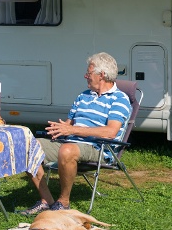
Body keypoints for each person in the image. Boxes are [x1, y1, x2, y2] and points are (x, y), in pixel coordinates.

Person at [20, 52, 131, 215]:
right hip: (71, 142)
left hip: (98, 147)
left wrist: (72, 130)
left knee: (67, 150)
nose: (85, 76)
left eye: (89, 73)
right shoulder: (83, 96)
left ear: (101, 75)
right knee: (28, 146)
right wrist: (60, 128)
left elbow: (110, 132)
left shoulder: (119, 99)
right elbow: (70, 124)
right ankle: (47, 200)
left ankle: (63, 202)